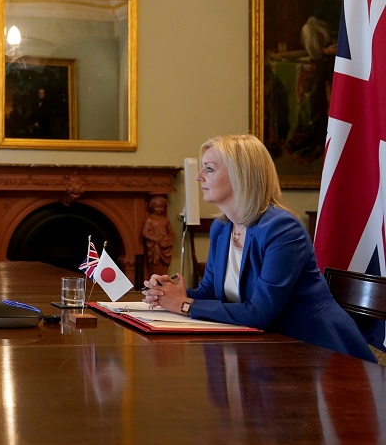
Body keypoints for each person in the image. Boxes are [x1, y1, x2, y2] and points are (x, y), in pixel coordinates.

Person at [142, 134, 375, 362]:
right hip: (269, 352)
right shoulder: (222, 228)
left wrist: (184, 304)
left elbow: (260, 313)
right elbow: (211, 293)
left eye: (209, 169)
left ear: (240, 176)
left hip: (320, 357)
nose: (198, 177)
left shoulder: (282, 229)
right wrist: (169, 294)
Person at [141, 195, 174, 277]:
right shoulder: (150, 219)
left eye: (161, 207)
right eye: (157, 207)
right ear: (152, 207)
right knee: (155, 266)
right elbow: (144, 232)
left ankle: (163, 283)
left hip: (165, 247)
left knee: (163, 268)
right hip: (155, 248)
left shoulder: (165, 220)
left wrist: (169, 240)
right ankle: (154, 283)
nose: (159, 209)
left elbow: (171, 232)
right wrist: (156, 239)